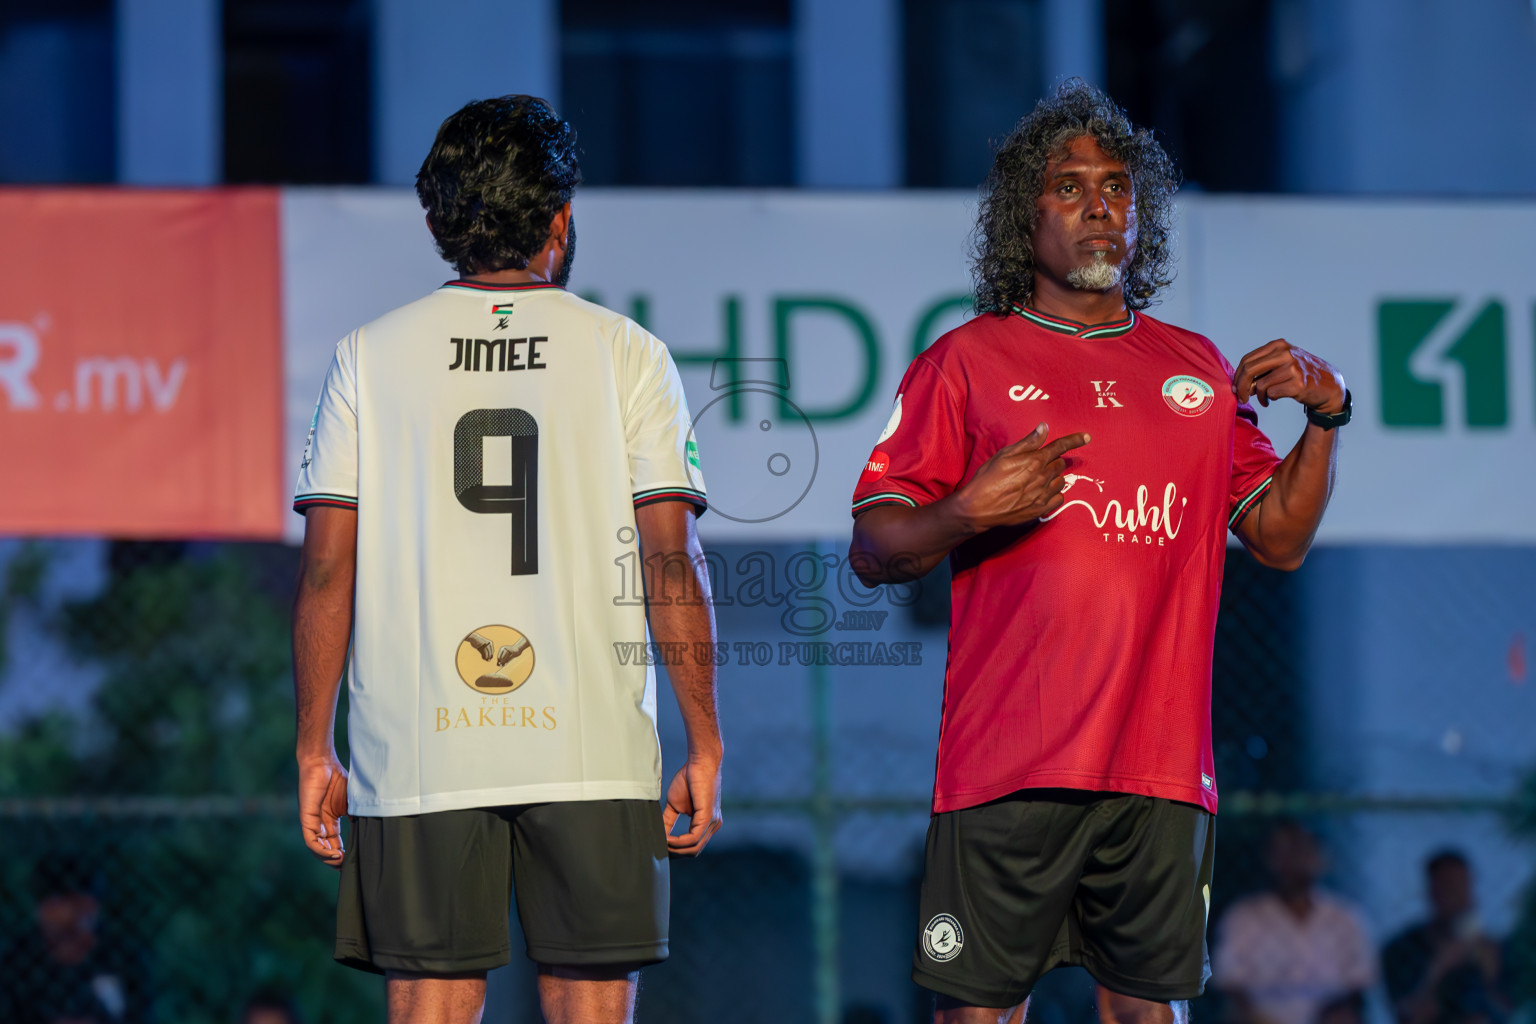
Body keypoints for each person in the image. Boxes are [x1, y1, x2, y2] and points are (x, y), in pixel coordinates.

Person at [848, 79, 1349, 1024]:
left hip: (1158, 771)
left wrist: (1327, 419)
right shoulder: (967, 361)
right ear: (1022, 216)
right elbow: (874, 548)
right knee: (977, 1014)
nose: (1098, 206)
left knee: (1147, 1012)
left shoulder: (1195, 367)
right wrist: (966, 509)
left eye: (1116, 187)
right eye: (1069, 186)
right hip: (1007, 766)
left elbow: (1278, 539)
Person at [291, 95, 723, 1024]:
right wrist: (705, 737)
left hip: (418, 745)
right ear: (561, 219)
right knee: (590, 1002)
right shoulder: (630, 353)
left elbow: (327, 573)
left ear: (438, 221)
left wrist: (312, 744)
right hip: (592, 747)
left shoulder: (365, 357)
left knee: (432, 1001)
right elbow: (672, 564)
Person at [1211, 821, 1378, 1024]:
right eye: (1283, 850)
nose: (1293, 859)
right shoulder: (1242, 917)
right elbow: (1231, 987)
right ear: (1269, 859)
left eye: (1301, 848)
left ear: (1321, 858)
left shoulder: (1347, 918)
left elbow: (1357, 987)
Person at [0, 858, 146, 1024]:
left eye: (84, 908)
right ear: (44, 910)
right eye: (66, 907)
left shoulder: (123, 957)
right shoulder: (15, 960)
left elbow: (143, 1015)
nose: (76, 918)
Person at [1382, 850, 1510, 1024]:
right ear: (1433, 892)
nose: (1462, 899)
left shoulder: (1495, 950)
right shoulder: (1400, 952)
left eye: (1465, 887)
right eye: (1451, 888)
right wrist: (1438, 970)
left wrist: (1490, 977)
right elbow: (1408, 1017)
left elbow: (1514, 1013)